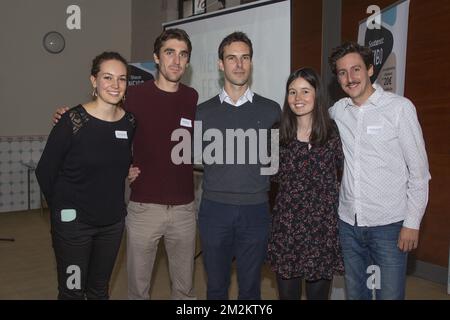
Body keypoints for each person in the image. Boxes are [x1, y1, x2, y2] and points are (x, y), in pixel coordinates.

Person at [53, 29, 198, 300]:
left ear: (188, 61)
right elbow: (102, 119)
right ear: (156, 58)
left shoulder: (193, 98)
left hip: (185, 211)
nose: (176, 60)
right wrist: (68, 116)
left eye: (183, 54)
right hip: (144, 209)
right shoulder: (133, 96)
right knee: (138, 290)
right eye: (169, 52)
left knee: (185, 290)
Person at [328, 41, 431, 300]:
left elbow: (419, 173)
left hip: (390, 226)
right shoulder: (338, 111)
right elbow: (308, 121)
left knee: (390, 296)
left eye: (356, 70)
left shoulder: (399, 109)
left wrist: (412, 223)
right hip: (348, 223)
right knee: (356, 295)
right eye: (342, 72)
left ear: (370, 70)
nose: (350, 78)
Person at [36, 51, 135, 299]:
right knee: (72, 291)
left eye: (121, 79)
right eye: (108, 77)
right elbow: (45, 171)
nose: (115, 85)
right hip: (74, 227)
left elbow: (117, 162)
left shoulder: (129, 123)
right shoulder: (73, 121)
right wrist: (64, 212)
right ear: (94, 81)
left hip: (112, 225)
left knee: (99, 290)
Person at [195, 31, 281, 300]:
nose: (239, 64)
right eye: (231, 58)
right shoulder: (202, 112)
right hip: (214, 210)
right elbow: (191, 157)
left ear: (251, 63)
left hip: (255, 211)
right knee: (216, 287)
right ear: (221, 64)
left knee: (251, 288)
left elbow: (275, 163)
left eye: (245, 58)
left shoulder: (271, 110)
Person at [266, 67, 344, 300]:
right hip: (287, 230)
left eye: (305, 91)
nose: (298, 99)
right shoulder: (276, 135)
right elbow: (269, 181)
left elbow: (343, 175)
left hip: (322, 232)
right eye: (292, 92)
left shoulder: (332, 134)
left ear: (316, 95)